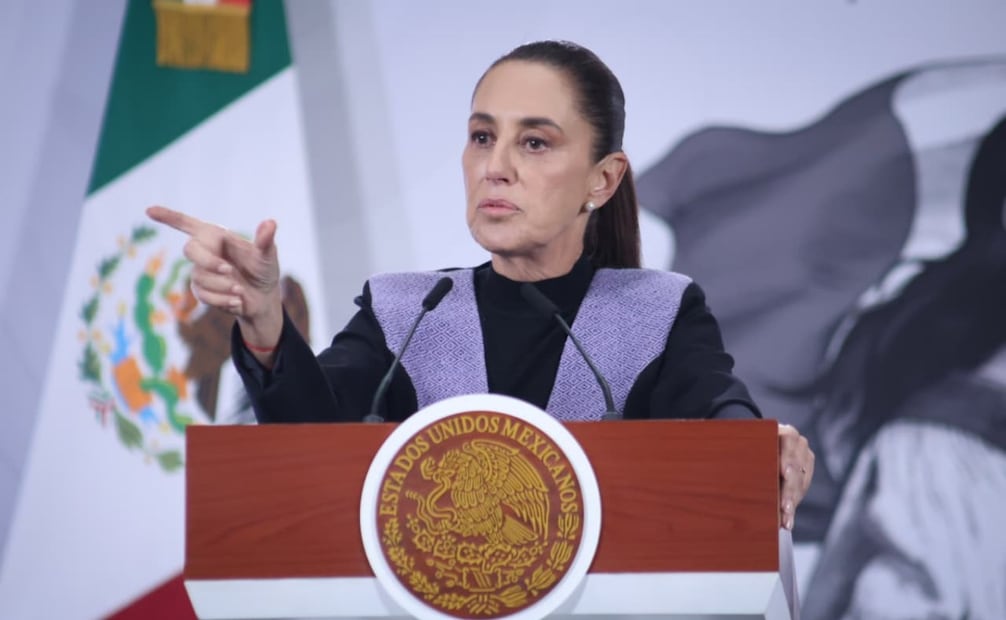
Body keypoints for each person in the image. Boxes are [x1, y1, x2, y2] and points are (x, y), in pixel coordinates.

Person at [147, 40, 814, 529]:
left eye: (534, 143)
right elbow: (309, 443)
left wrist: (759, 446)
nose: (494, 167)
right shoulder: (405, 312)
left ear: (601, 180)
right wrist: (264, 318)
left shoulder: (658, 314)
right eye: (481, 136)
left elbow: (720, 416)